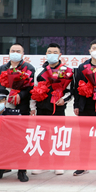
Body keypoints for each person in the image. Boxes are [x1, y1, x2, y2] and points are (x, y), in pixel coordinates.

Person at [0, 42, 36, 182]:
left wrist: (20, 95)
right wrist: (3, 97)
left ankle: (22, 170)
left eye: (18, 51)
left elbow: (31, 89)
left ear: (23, 54)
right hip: (4, 109)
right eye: (13, 51)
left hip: (21, 108)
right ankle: (1, 168)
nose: (15, 53)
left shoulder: (28, 68)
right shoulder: (2, 69)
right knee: (3, 140)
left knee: (21, 139)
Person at [31, 43, 73, 176]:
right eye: (49, 52)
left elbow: (70, 92)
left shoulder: (66, 71)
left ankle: (58, 164)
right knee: (42, 137)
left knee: (59, 136)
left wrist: (64, 100)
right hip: (42, 109)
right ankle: (42, 164)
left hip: (58, 109)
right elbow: (34, 90)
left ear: (60, 55)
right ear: (46, 54)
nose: (52, 54)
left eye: (55, 52)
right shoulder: (39, 71)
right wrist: (32, 107)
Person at [72, 39, 96, 177]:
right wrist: (76, 105)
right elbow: (76, 87)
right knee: (84, 138)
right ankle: (82, 165)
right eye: (94, 48)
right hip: (85, 107)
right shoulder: (82, 67)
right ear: (89, 51)